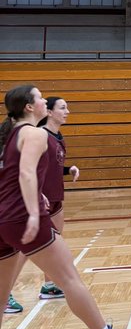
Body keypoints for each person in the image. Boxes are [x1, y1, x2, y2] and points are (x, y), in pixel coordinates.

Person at [0, 84, 131, 329]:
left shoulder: (8, 135)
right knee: (69, 278)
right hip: (22, 217)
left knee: (2, 294)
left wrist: (36, 194)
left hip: (3, 218)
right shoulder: (35, 133)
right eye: (40, 98)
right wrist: (35, 213)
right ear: (30, 107)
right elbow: (26, 174)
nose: (43, 101)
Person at [34, 96, 80, 300]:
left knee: (53, 245)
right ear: (50, 112)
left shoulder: (58, 136)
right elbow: (28, 168)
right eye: (63, 107)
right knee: (20, 249)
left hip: (56, 198)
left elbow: (49, 167)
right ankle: (5, 293)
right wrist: (36, 192)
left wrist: (67, 169)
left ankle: (49, 285)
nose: (67, 111)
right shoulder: (39, 136)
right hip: (38, 200)